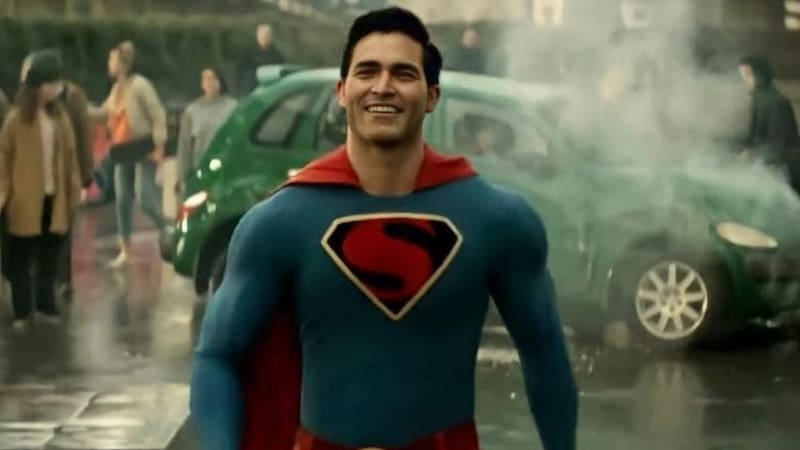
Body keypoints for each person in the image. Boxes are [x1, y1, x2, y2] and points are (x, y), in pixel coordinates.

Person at [190, 7, 578, 450]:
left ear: (432, 96)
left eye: (403, 73)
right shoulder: (279, 222)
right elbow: (217, 356)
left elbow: (545, 352)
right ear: (342, 91)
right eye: (367, 71)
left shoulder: (497, 220)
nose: (383, 86)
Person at [0, 50, 82, 331]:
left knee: (49, 258)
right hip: (23, 202)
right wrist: (3, 197)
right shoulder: (15, 121)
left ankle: (45, 306)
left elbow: (70, 158)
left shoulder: (60, 118)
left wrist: (73, 192)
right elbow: (4, 162)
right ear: (36, 86)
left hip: (53, 199)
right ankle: (23, 311)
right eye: (51, 82)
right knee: (20, 259)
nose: (56, 88)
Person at [92, 41, 168, 268]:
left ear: (123, 64)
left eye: (112, 59)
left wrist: (159, 145)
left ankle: (169, 226)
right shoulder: (116, 89)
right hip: (122, 150)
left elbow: (158, 114)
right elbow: (103, 113)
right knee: (122, 200)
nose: (109, 63)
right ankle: (126, 250)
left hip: (142, 148)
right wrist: (80, 107)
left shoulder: (140, 85)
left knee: (145, 198)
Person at [738, 55, 800, 190]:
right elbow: (754, 134)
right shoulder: (758, 98)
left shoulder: (778, 102)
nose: (744, 80)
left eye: (747, 75)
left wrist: (754, 157)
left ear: (759, 75)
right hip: (767, 163)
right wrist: (745, 150)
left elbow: (777, 145)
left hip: (787, 170)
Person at [176, 67, 237, 194]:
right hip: (201, 168)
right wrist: (182, 176)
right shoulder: (192, 111)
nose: (209, 83)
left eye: (213, 78)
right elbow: (184, 146)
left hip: (227, 167)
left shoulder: (232, 107)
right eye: (205, 79)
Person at [238, 24, 286, 95]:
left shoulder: (277, 56)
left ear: (270, 37)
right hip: (253, 88)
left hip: (271, 88)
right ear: (257, 37)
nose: (263, 38)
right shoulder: (250, 54)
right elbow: (245, 74)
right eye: (261, 36)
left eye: (266, 36)